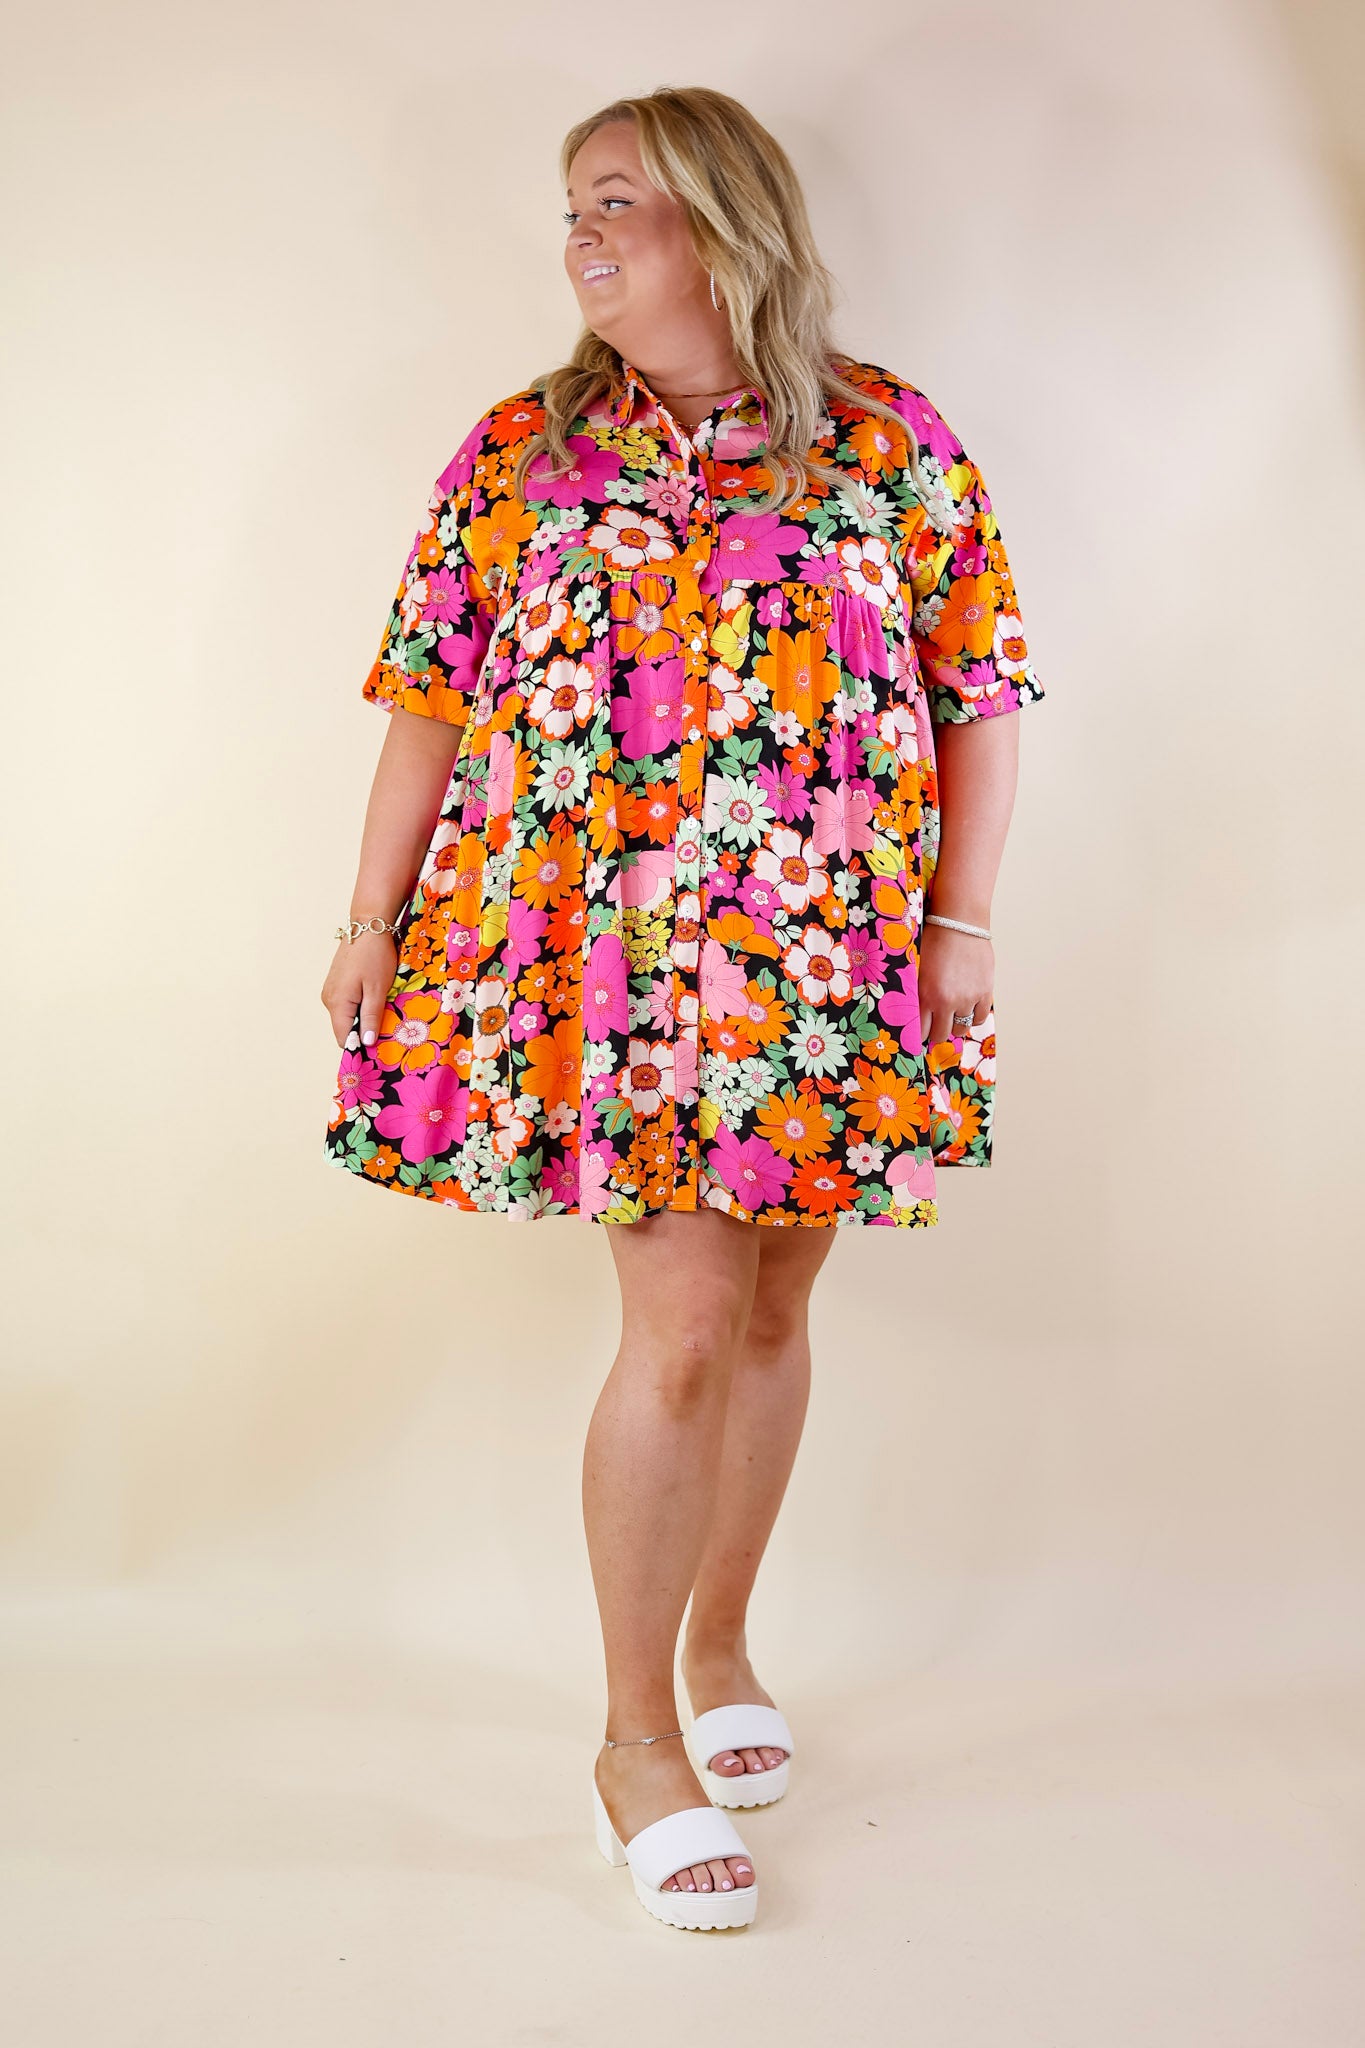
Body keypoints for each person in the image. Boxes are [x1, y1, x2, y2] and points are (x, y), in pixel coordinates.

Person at [320, 85, 1045, 1931]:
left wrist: (961, 922)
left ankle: (722, 1644)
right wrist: (368, 920)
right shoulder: (521, 450)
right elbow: (425, 697)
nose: (579, 232)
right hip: (609, 969)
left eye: (617, 200)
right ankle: (634, 1740)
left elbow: (977, 693)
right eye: (572, 204)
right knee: (685, 1324)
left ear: (723, 222)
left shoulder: (886, 440)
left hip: (827, 960)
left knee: (779, 1301)